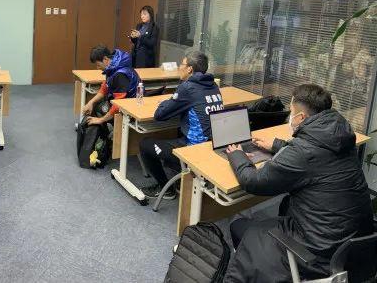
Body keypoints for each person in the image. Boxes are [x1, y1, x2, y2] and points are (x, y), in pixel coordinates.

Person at [224, 84, 374, 283]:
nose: (290, 116)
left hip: (320, 253)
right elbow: (314, 155)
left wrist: (237, 155)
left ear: (301, 117)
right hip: (356, 247)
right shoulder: (341, 138)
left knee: (241, 227)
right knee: (285, 204)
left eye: (291, 110)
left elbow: (254, 181)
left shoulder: (303, 151)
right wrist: (278, 145)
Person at [138, 50, 222, 199]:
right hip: (213, 148)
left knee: (145, 144)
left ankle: (166, 189)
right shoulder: (213, 85)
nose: (179, 67)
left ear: (190, 69)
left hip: (194, 151)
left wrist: (167, 102)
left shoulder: (188, 87)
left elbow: (160, 115)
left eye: (182, 64)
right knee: (179, 130)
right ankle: (178, 175)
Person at [80, 45, 141, 127]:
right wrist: (90, 102)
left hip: (129, 108)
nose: (97, 68)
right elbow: (105, 87)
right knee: (95, 106)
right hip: (120, 102)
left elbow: (119, 104)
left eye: (98, 65)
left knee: (98, 111)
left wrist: (101, 120)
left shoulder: (120, 75)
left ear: (105, 59)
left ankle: (109, 130)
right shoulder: (113, 67)